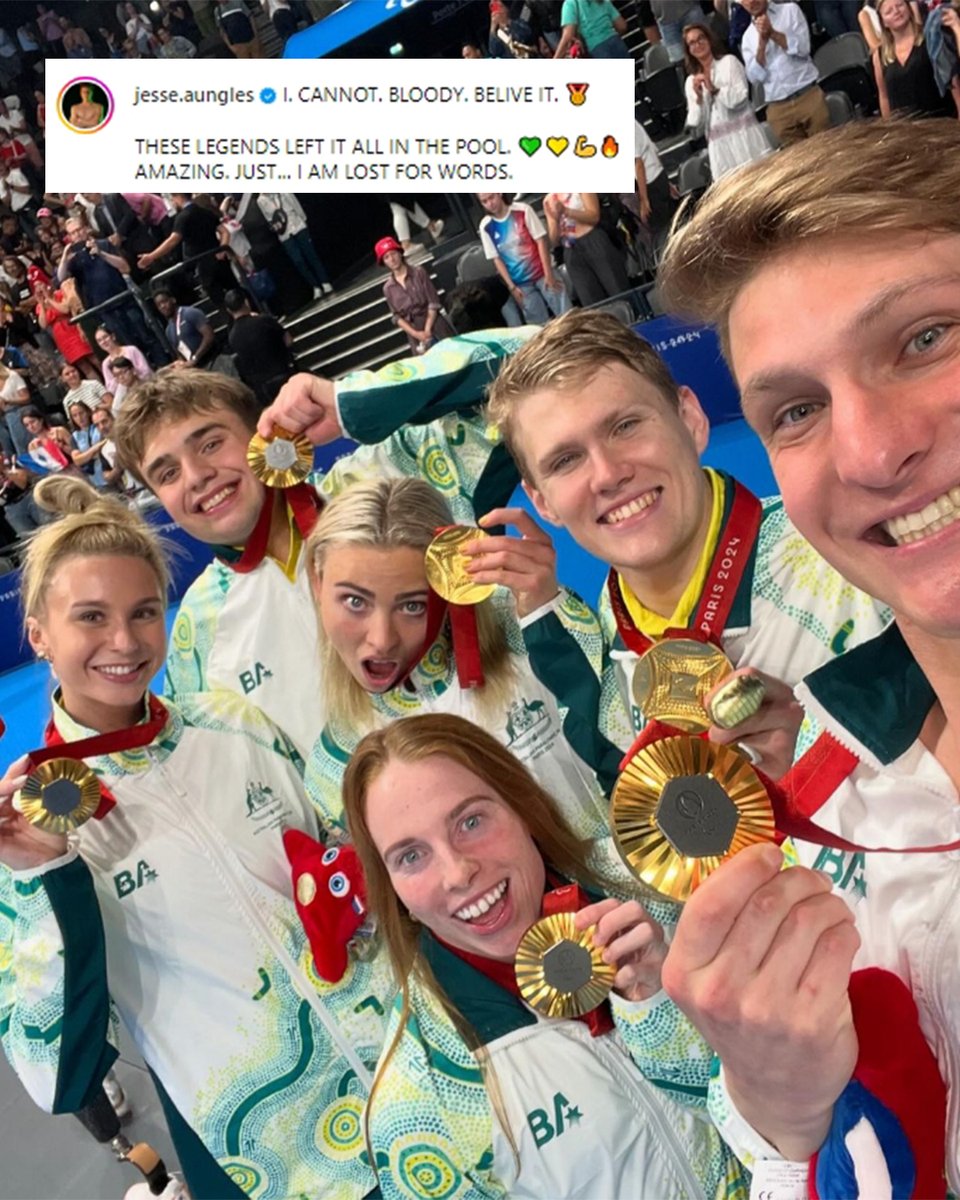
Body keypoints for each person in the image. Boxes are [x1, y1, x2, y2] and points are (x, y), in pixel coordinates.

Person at [656, 117, 960, 1191]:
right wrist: (784, 1118)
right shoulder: (840, 816)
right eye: (797, 409)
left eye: (924, 338)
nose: (873, 450)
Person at [0, 474, 391, 1200]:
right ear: (39, 635)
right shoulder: (30, 831)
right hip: (276, 1160)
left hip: (413, 1092)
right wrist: (44, 877)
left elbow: (341, 860)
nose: (124, 641)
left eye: (144, 612)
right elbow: (56, 1073)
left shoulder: (229, 721)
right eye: (91, 617)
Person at [340, 712, 750, 1200]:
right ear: (392, 888)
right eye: (411, 856)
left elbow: (787, 1095)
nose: (457, 873)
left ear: (521, 806)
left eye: (470, 821)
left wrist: (660, 1007)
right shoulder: (417, 1103)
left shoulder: (655, 883)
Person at [481, 308, 891, 783]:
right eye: (567, 460)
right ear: (542, 502)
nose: (608, 474)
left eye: (625, 426)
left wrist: (825, 764)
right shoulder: (613, 642)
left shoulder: (853, 550)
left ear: (691, 419)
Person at [114, 332, 529, 759]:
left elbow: (538, 360)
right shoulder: (196, 638)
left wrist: (353, 404)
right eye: (166, 474)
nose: (196, 474)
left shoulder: (392, 478)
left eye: (210, 443)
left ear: (263, 433)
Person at [302, 478, 613, 862]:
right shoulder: (334, 766)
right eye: (354, 601)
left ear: (449, 581)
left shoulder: (525, 624)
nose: (382, 639)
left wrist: (550, 620)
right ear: (317, 583)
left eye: (412, 605)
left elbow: (631, 750)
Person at [58, 218, 165, 366]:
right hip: (104, 310)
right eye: (73, 233)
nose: (77, 234)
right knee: (126, 345)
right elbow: (61, 277)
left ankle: (164, 365)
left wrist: (102, 254)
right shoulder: (74, 259)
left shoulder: (104, 244)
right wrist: (64, 256)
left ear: (86, 228)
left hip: (124, 299)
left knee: (146, 336)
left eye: (79, 229)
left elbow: (125, 267)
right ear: (69, 236)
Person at [682, 20, 773, 179]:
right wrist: (698, 98)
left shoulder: (729, 62)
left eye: (701, 38)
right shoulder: (691, 81)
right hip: (720, 147)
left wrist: (714, 89)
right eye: (692, 43)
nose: (698, 44)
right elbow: (695, 125)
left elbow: (740, 99)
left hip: (746, 136)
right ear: (689, 50)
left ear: (709, 39)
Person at [740, 0, 830, 146]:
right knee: (801, 166)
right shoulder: (747, 38)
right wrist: (762, 43)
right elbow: (755, 77)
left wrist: (773, 34)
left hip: (807, 95)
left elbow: (803, 48)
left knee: (828, 152)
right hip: (778, 109)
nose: (751, 2)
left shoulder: (790, 11)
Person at [477, 193, 570, 325]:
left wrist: (548, 273)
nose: (489, 204)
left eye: (491, 197)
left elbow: (540, 241)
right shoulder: (485, 226)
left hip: (543, 273)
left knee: (567, 317)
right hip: (521, 284)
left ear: (499, 193)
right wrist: (512, 288)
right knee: (537, 328)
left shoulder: (522, 210)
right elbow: (496, 259)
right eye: (484, 201)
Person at [138, 193, 236, 312]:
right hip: (219, 257)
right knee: (234, 289)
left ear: (178, 197)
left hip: (203, 263)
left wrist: (151, 256)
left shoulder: (183, 217)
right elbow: (225, 232)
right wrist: (222, 249)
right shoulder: (204, 210)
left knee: (220, 300)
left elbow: (172, 241)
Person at [543, 192, 631, 307]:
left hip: (593, 239)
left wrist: (566, 211)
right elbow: (554, 241)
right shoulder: (549, 200)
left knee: (617, 287)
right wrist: (554, 220)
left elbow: (594, 216)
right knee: (590, 299)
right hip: (571, 250)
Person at [873, 0, 955, 117]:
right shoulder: (879, 55)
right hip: (906, 130)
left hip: (939, 122)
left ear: (909, 8)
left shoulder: (931, 38)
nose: (896, 11)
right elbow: (884, 96)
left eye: (900, 5)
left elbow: (952, 80)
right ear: (883, 22)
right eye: (889, 11)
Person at [376, 236, 453, 355]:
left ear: (400, 254)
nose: (392, 259)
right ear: (384, 262)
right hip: (415, 332)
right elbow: (397, 317)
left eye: (393, 254)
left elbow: (433, 302)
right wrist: (416, 334)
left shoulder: (418, 272)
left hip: (434, 323)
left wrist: (427, 330)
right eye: (386, 257)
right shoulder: (388, 288)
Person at [224, 288, 296, 407]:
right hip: (284, 373)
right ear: (246, 302)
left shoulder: (232, 337)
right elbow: (288, 340)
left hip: (263, 387)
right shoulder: (263, 320)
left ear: (228, 311)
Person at [256, 193, 333, 300]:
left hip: (297, 225)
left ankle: (325, 281)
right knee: (298, 261)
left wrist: (303, 219)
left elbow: (295, 204)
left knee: (310, 254)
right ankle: (315, 286)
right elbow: (269, 218)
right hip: (284, 233)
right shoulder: (260, 200)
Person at [34, 279, 101, 380]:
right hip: (61, 337)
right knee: (84, 367)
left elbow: (65, 309)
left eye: (41, 285)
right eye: (37, 287)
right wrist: (42, 304)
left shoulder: (60, 294)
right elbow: (43, 324)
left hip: (73, 328)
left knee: (94, 359)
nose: (40, 289)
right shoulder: (40, 306)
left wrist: (49, 298)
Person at [151, 288, 219, 369]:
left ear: (173, 300)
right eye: (159, 305)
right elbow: (179, 353)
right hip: (198, 368)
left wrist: (195, 358)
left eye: (164, 302)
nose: (162, 306)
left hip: (214, 359)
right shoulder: (168, 330)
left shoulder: (190, 313)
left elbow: (209, 336)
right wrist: (180, 363)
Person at [554, 0, 631, 58]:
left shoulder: (570, 4)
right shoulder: (603, 1)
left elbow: (568, 36)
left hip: (596, 49)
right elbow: (622, 26)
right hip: (617, 43)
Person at [95, 325, 153, 395]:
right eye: (99, 340)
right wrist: (119, 379)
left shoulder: (131, 350)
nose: (103, 342)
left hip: (143, 386)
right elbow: (110, 388)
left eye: (105, 337)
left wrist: (131, 376)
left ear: (113, 336)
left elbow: (146, 371)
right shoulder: (105, 364)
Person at [22, 406, 73, 473]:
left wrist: (62, 446)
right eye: (27, 425)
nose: (31, 427)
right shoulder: (32, 446)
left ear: (41, 420)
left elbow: (76, 452)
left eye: (33, 422)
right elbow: (38, 469)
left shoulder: (59, 431)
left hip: (72, 469)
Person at [68, 399, 107, 487]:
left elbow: (106, 443)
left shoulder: (98, 426)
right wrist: (95, 448)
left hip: (109, 469)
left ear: (88, 412)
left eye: (81, 413)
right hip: (96, 479)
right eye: (75, 416)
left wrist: (85, 455)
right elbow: (77, 460)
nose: (79, 418)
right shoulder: (75, 436)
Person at [0, 360, 31, 457]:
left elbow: (27, 398)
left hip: (20, 410)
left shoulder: (12, 376)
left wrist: (8, 401)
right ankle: (11, 460)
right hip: (5, 415)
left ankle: (24, 455)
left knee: (14, 419)